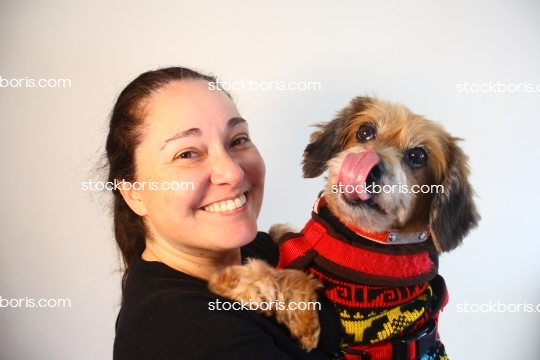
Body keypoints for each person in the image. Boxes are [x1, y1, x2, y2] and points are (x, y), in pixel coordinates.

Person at [107, 67, 339, 360]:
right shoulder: (187, 333)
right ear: (133, 192)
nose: (232, 171)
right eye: (187, 153)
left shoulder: (265, 250)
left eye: (238, 140)